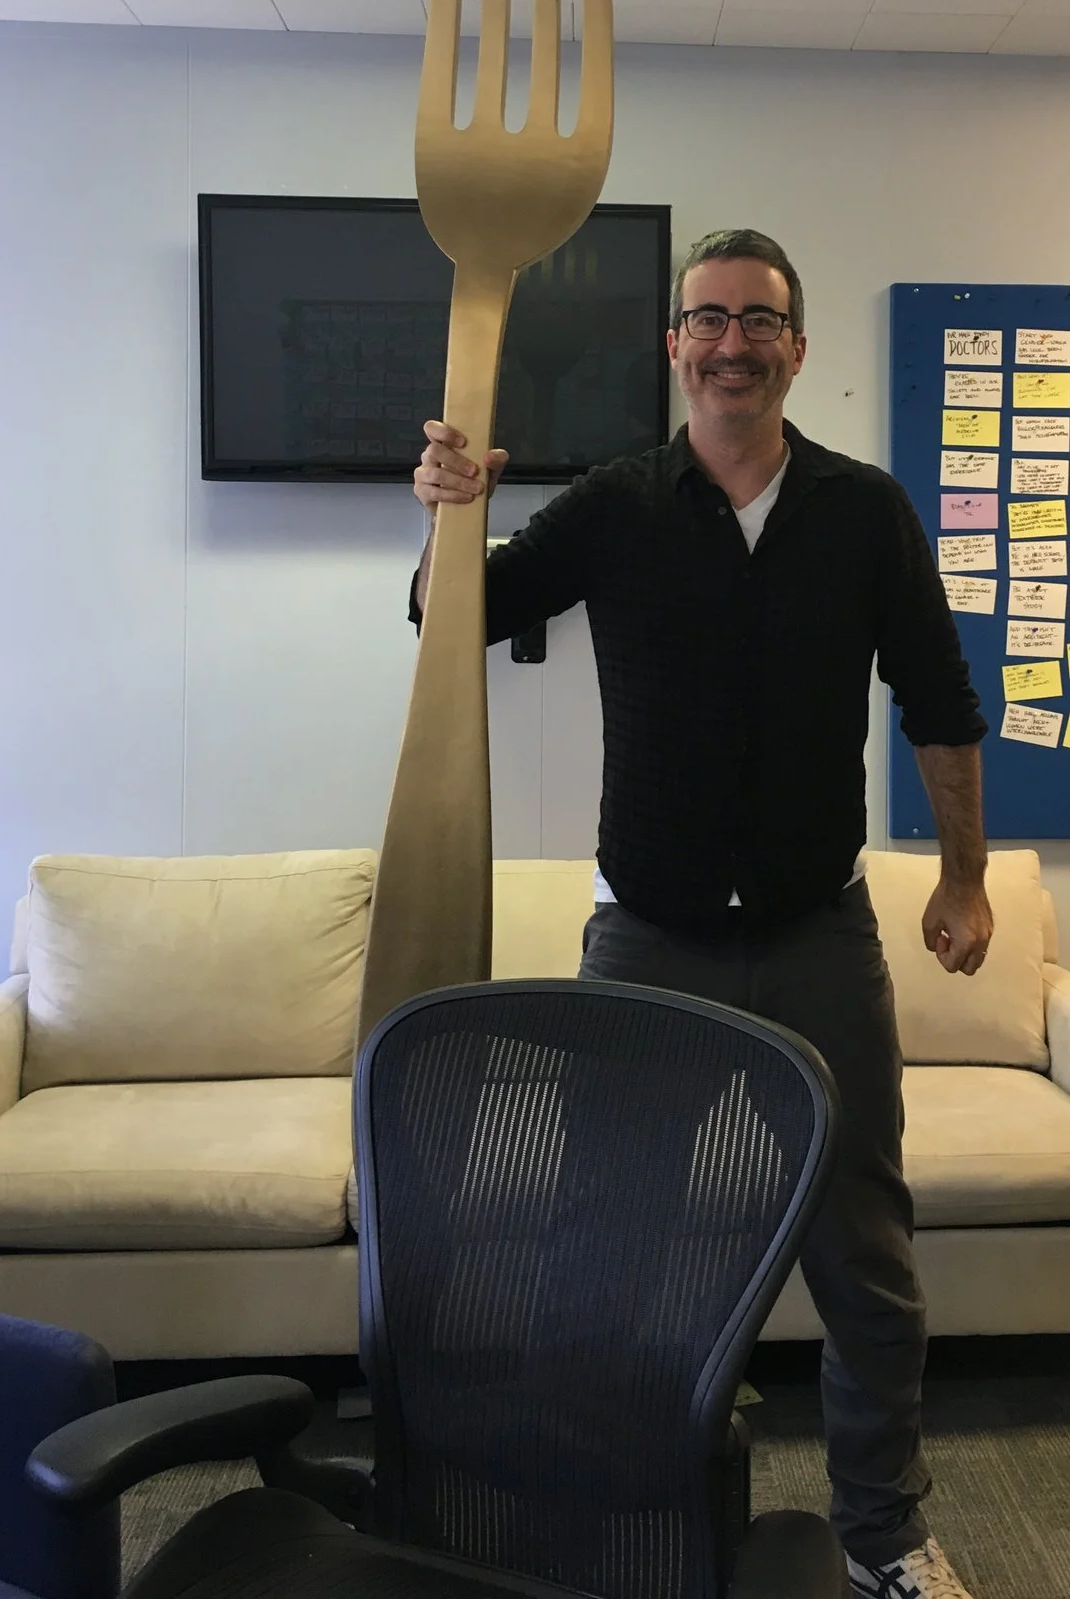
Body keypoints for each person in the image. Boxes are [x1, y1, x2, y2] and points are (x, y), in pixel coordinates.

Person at [411, 228, 991, 1599]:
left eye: (760, 321)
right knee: (609, 1249)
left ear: (797, 348)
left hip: (815, 935)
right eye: (708, 319)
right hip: (648, 939)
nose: (732, 342)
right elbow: (454, 621)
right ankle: (618, 1512)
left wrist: (965, 875)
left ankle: (885, 1538)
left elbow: (945, 706)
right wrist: (444, 516)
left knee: (866, 1259)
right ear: (674, 344)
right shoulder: (616, 504)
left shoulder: (867, 513)